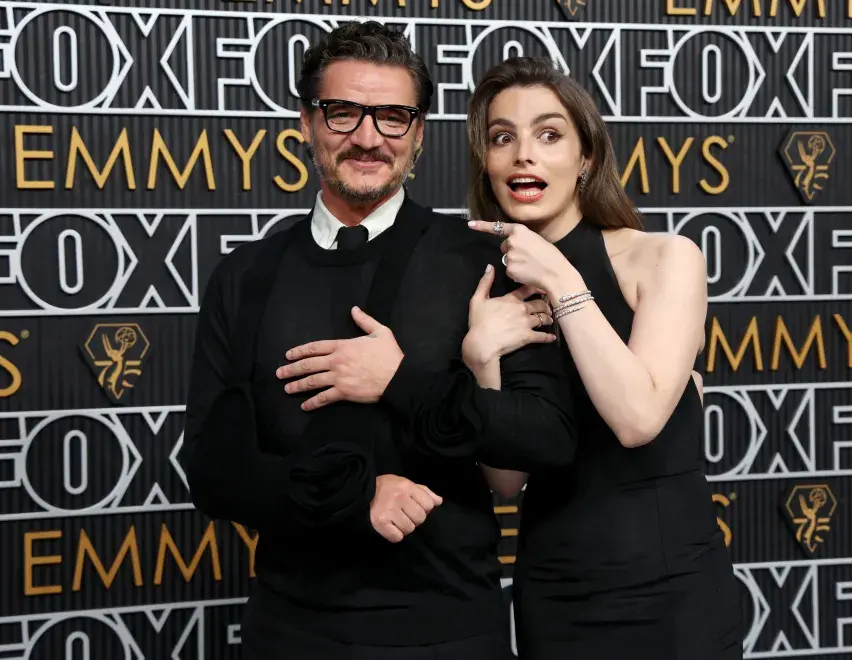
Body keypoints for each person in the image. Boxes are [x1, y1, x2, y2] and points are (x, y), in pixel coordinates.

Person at [178, 26, 578, 660]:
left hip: (447, 631)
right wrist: (356, 497)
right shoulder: (244, 274)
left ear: (419, 133)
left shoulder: (484, 260)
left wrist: (399, 381)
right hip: (288, 632)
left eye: (393, 117)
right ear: (306, 121)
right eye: (343, 113)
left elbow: (547, 437)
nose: (368, 138)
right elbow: (210, 469)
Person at [460, 57, 745, 659]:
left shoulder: (665, 258)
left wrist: (562, 283)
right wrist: (481, 357)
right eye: (502, 137)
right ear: (486, 162)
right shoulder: (488, 287)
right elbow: (507, 484)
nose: (522, 156)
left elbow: (636, 418)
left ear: (586, 157)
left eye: (548, 134)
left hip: (671, 593)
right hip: (553, 592)